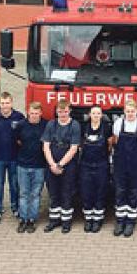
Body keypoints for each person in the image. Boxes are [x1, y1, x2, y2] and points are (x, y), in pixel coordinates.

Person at [111, 100, 137, 237]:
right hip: (120, 164)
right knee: (120, 190)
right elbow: (115, 141)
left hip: (136, 164)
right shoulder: (118, 124)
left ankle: (130, 221)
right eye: (127, 111)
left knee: (134, 191)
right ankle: (120, 221)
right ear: (124, 111)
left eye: (132, 111)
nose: (130, 114)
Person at [42, 99, 81, 233]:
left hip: (68, 165)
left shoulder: (74, 125)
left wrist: (60, 164)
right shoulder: (51, 124)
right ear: (56, 112)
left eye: (65, 111)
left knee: (66, 193)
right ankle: (54, 220)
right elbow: (46, 146)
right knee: (53, 193)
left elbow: (74, 148)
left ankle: (66, 222)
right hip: (52, 164)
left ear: (69, 111)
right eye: (60, 112)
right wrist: (52, 164)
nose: (62, 114)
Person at [0, 92, 25, 223]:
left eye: (7, 103)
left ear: (12, 103)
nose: (5, 106)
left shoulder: (19, 117)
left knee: (15, 185)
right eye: (2, 103)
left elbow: (23, 136)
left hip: (15, 157)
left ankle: (16, 207)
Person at [79, 105, 112, 233]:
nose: (96, 115)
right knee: (86, 191)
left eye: (98, 113)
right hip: (86, 164)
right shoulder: (84, 127)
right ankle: (88, 219)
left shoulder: (107, 128)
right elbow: (80, 144)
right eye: (94, 113)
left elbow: (110, 144)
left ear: (101, 115)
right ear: (89, 115)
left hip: (101, 164)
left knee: (100, 191)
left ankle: (98, 219)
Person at [14, 101, 46, 234]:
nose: (34, 116)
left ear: (41, 113)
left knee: (35, 194)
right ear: (28, 112)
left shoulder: (46, 125)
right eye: (32, 113)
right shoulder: (21, 125)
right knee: (23, 194)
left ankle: (32, 220)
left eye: (36, 113)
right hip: (23, 165)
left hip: (40, 166)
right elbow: (17, 141)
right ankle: (23, 219)